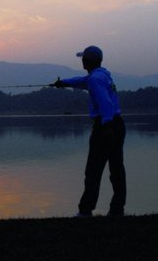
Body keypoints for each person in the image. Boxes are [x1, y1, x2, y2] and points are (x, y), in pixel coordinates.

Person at [51, 45, 126, 217]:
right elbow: (79, 81)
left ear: (89, 60)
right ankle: (117, 209)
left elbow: (104, 102)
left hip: (105, 126)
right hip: (118, 124)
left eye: (84, 58)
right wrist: (63, 83)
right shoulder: (100, 76)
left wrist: (106, 125)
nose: (82, 61)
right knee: (116, 170)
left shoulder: (95, 79)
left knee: (93, 170)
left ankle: (85, 210)